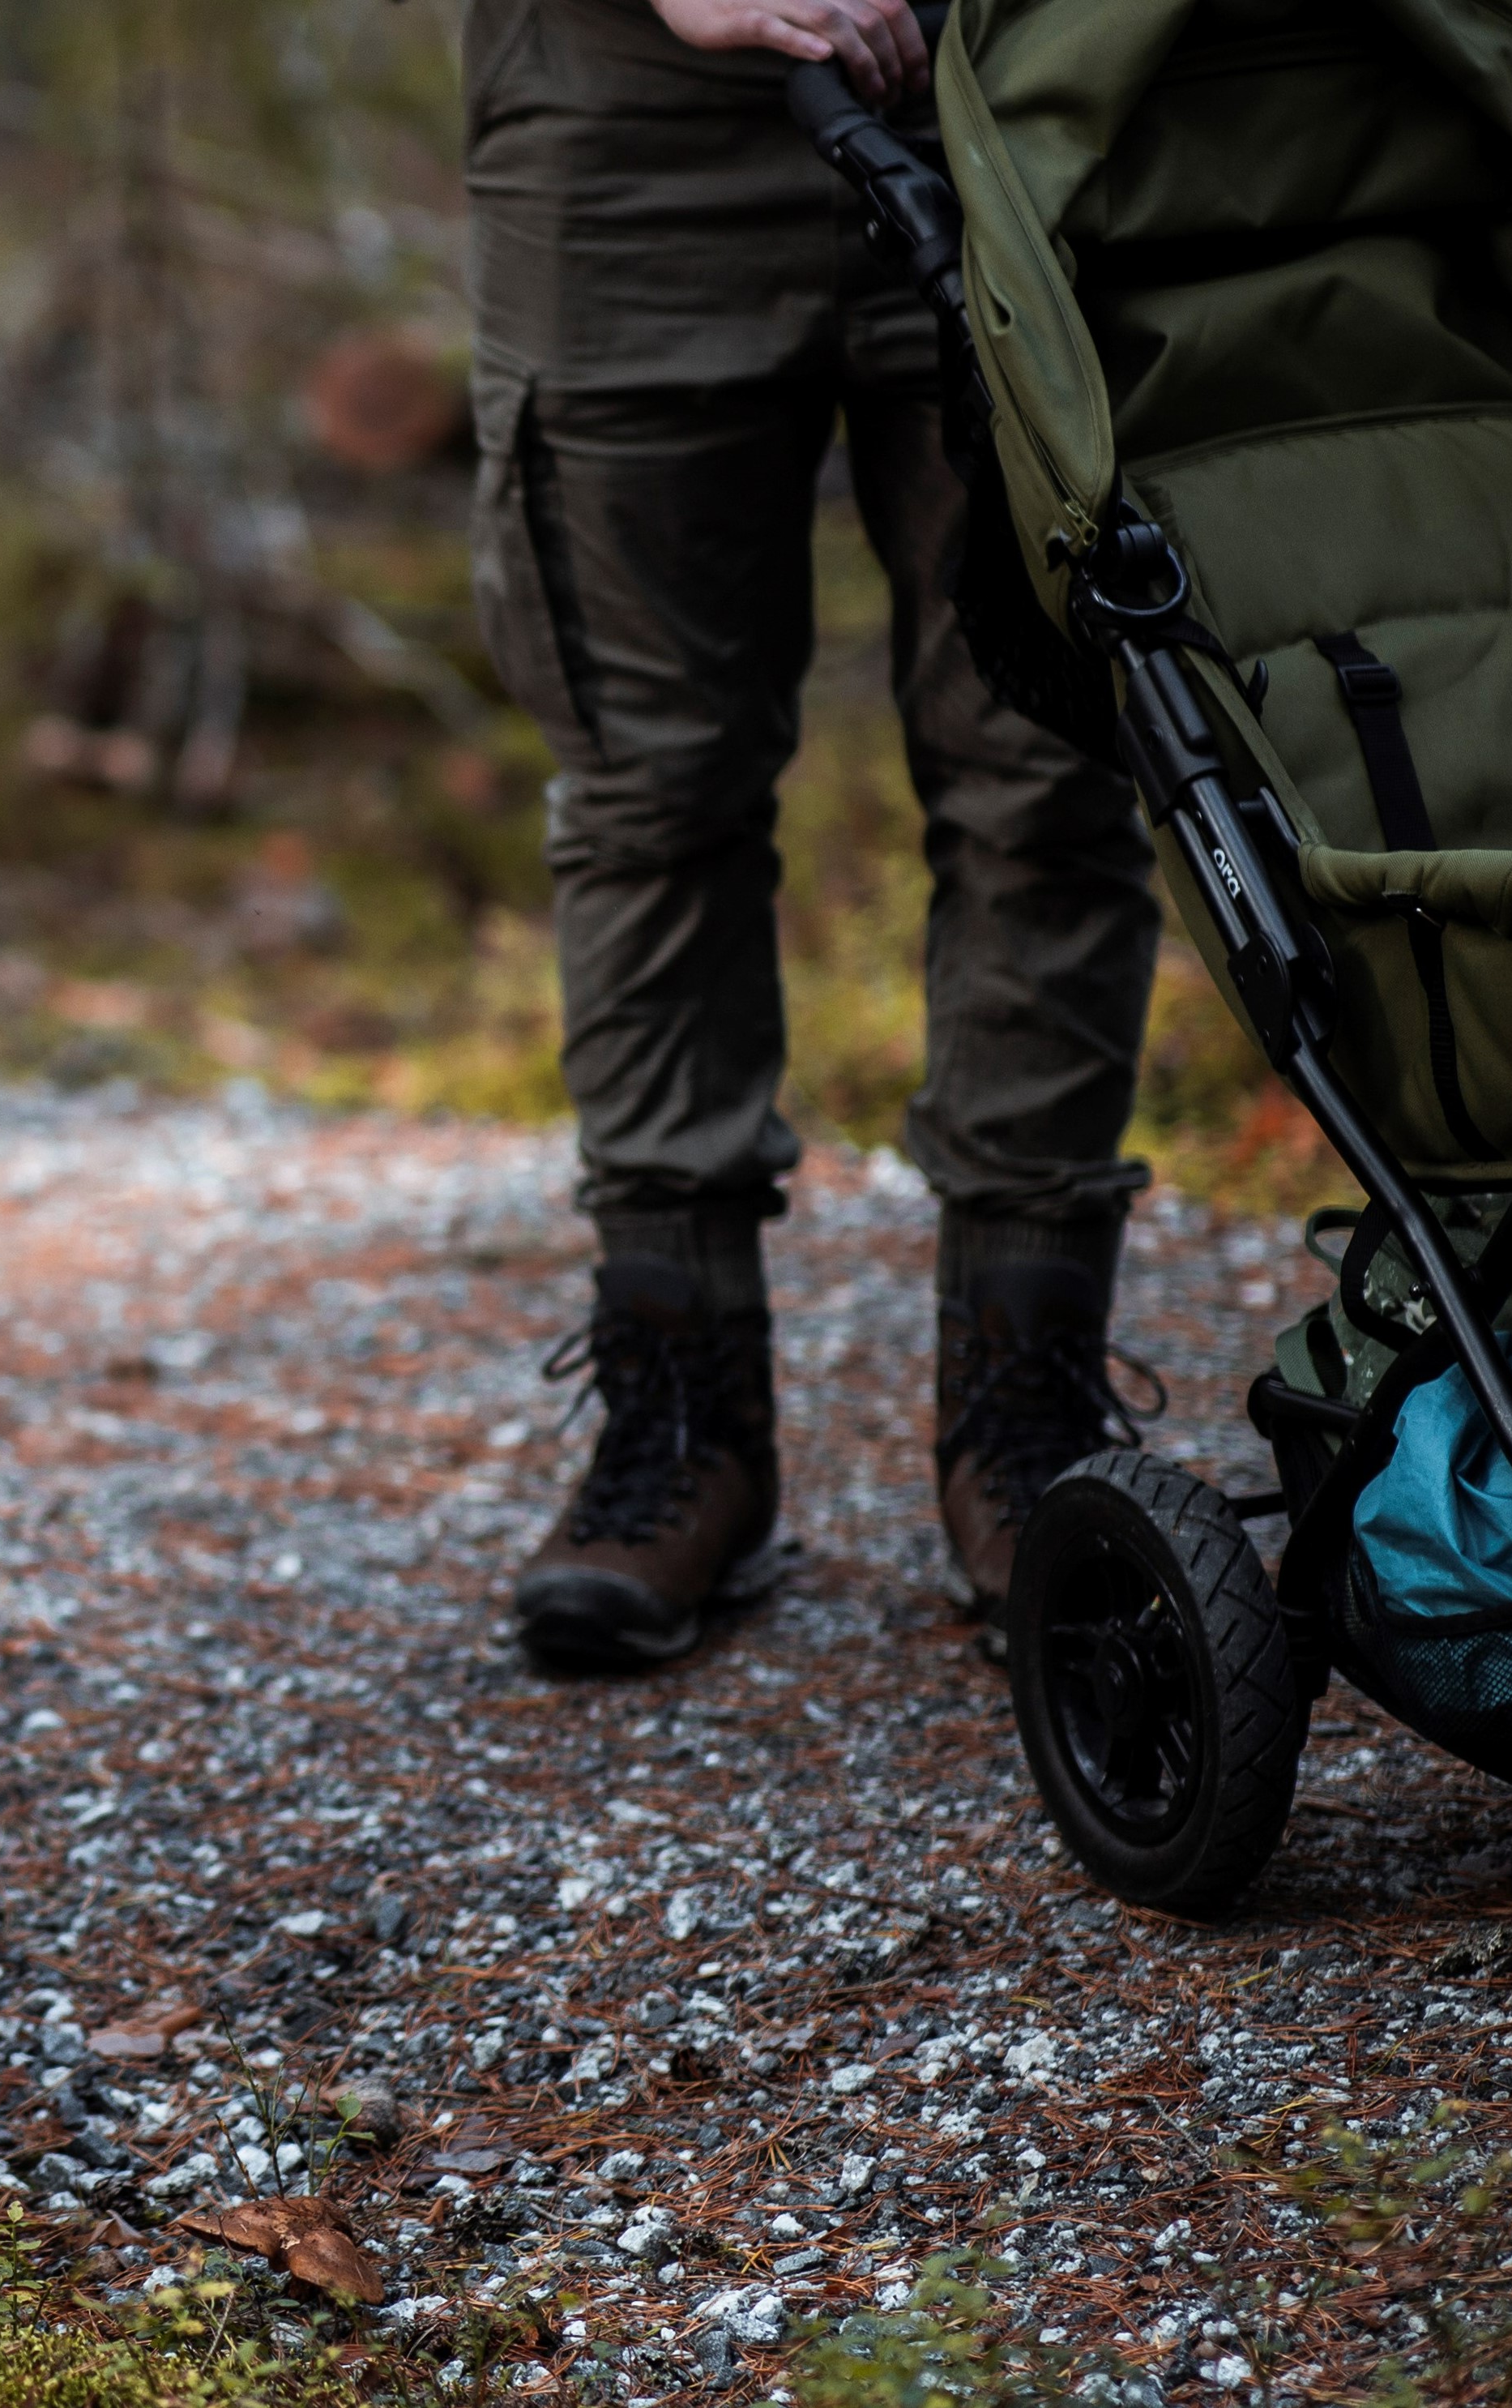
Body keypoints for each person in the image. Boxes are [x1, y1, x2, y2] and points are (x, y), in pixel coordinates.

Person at [471, 0, 1164, 1669]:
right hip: (620, 126)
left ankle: (1027, 1416)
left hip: (1024, 85)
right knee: (650, 794)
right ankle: (682, 1422)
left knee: (1050, 767)